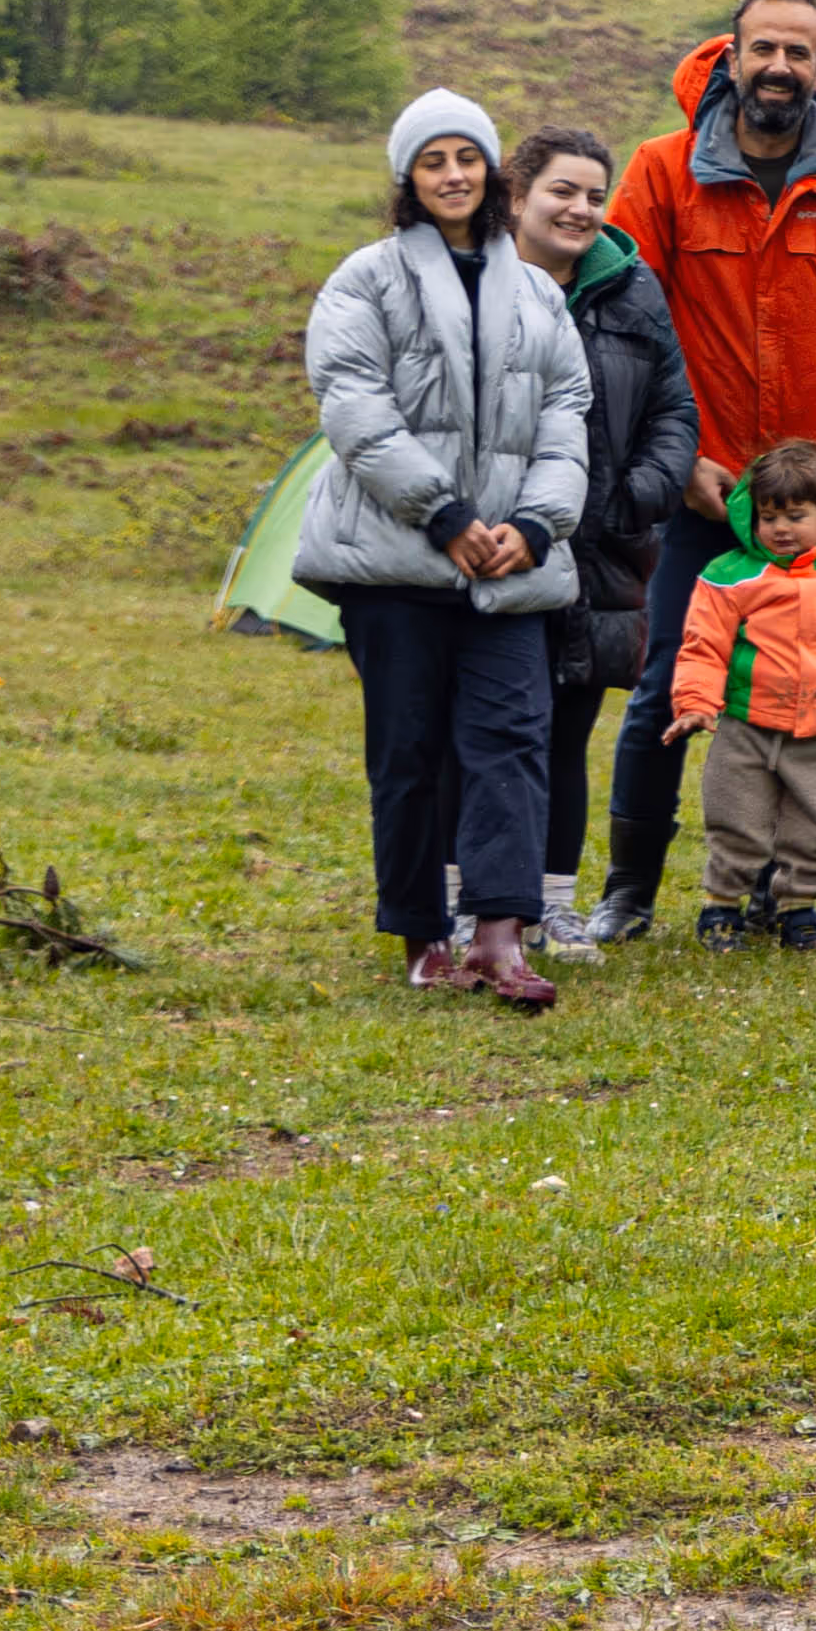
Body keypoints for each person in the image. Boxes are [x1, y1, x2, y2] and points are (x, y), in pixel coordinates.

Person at [616, 0, 816, 927]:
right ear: (730, 56)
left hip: (814, 501)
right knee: (666, 678)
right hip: (700, 491)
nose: (779, 66)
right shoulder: (660, 172)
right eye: (763, 48)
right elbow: (631, 330)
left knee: (810, 693)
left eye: (798, 51)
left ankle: (781, 893)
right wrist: (683, 458)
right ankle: (629, 888)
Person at [294, 89, 598, 1012]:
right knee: (411, 749)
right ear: (408, 178)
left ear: (492, 173)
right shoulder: (364, 280)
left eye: (468, 158)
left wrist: (536, 526)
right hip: (397, 560)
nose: (454, 175)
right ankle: (426, 934)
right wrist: (445, 515)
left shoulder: (540, 290)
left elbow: (566, 413)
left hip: (511, 565)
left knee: (513, 739)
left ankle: (501, 938)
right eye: (434, 161)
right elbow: (354, 408)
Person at [508, 128, 700, 962]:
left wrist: (636, 497)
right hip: (500, 546)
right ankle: (476, 903)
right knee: (490, 731)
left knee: (566, 733)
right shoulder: (477, 284)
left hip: (601, 552)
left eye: (594, 194)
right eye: (562, 191)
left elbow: (674, 409)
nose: (580, 209)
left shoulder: (630, 289)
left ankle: (553, 905)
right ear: (516, 197)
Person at [666, 440, 816, 952]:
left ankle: (798, 909)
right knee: (736, 819)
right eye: (768, 517)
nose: (780, 529)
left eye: (795, 516)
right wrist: (695, 703)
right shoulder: (728, 577)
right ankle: (722, 906)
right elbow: (703, 647)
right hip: (746, 727)